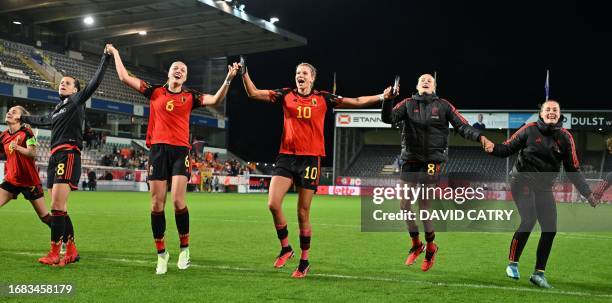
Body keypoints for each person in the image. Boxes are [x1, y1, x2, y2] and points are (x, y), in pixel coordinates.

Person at [241, 57, 397, 278]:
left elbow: (357, 101)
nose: (300, 75)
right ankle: (286, 248)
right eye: (298, 72)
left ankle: (304, 261)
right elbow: (253, 93)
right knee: (273, 204)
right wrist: (244, 73)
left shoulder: (323, 98)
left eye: (305, 72)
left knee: (303, 212)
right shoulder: (286, 95)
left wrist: (383, 96)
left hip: (310, 159)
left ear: (312, 78)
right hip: (286, 157)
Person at [107, 44, 239, 275]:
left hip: (180, 151)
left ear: (185, 77)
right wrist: (116, 53)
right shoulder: (154, 91)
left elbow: (216, 99)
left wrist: (228, 78)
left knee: (178, 201)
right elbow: (124, 77)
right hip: (157, 151)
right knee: (157, 204)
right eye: (175, 68)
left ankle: (184, 249)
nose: (179, 70)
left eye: (183, 69)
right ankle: (161, 254)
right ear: (169, 73)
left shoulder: (191, 96)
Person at [381, 73, 494, 271]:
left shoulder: (443, 106)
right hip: (409, 159)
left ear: (434, 86)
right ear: (417, 85)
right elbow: (387, 118)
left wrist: (480, 137)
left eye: (429, 80)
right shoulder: (407, 104)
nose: (426, 81)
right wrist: (388, 100)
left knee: (424, 206)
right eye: (422, 80)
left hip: (432, 162)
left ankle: (431, 248)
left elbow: (462, 126)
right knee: (404, 205)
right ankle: (416, 245)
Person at [486, 100, 598, 288]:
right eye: (548, 110)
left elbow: (573, 170)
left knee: (550, 229)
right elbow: (506, 148)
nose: (551, 112)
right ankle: (512, 263)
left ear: (560, 114)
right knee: (529, 219)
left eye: (555, 110)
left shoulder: (565, 138)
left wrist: (588, 194)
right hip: (522, 181)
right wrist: (491, 147)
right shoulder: (528, 130)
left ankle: (539, 274)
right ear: (541, 113)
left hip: (544, 187)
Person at [20, 45, 112, 266]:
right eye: (61, 81)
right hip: (54, 157)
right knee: (60, 208)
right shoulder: (58, 108)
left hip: (68, 154)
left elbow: (94, 83)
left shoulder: (75, 102)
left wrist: (106, 58)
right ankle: (71, 250)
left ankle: (55, 253)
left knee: (57, 207)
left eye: (67, 82)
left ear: (75, 90)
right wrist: (24, 119)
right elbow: (44, 121)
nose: (63, 83)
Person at [0, 106, 51, 230]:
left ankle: (66, 237)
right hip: (11, 180)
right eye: (9, 111)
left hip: (29, 182)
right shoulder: (3, 135)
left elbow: (33, 153)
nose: (9, 113)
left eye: (14, 112)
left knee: (45, 217)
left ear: (20, 118)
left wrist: (17, 147)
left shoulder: (27, 132)